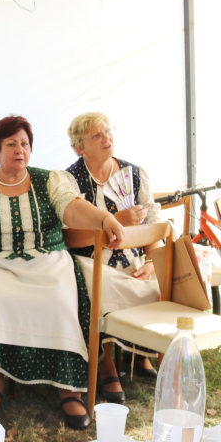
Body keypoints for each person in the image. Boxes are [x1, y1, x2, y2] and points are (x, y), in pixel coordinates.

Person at [0, 116, 125, 430]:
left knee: (59, 299)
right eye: (11, 144)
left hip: (48, 260)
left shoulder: (50, 180)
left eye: (25, 144)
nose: (20, 150)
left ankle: (67, 387)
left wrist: (103, 219)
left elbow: (71, 208)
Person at [63, 112, 162, 403]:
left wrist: (153, 263)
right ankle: (106, 364)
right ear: (80, 147)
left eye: (108, 131)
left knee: (158, 285)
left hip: (133, 258)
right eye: (97, 135)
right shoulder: (70, 180)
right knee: (99, 288)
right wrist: (115, 220)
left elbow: (154, 225)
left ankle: (141, 353)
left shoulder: (134, 173)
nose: (107, 138)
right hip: (91, 259)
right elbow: (70, 237)